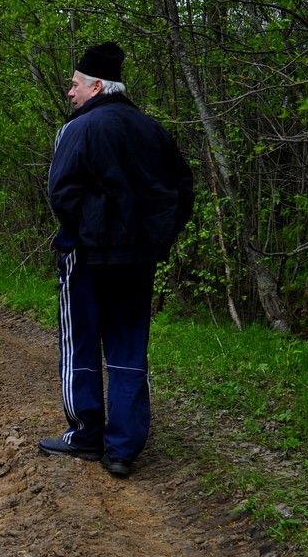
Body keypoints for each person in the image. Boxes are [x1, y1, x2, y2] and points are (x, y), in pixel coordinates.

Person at [39, 41, 193, 477]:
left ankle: (87, 436)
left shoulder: (77, 130)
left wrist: (85, 234)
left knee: (80, 344)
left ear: (97, 86)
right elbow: (182, 193)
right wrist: (156, 240)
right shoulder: (153, 130)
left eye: (75, 85)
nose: (70, 92)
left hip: (86, 258)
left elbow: (61, 193)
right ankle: (123, 449)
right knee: (128, 348)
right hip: (138, 261)